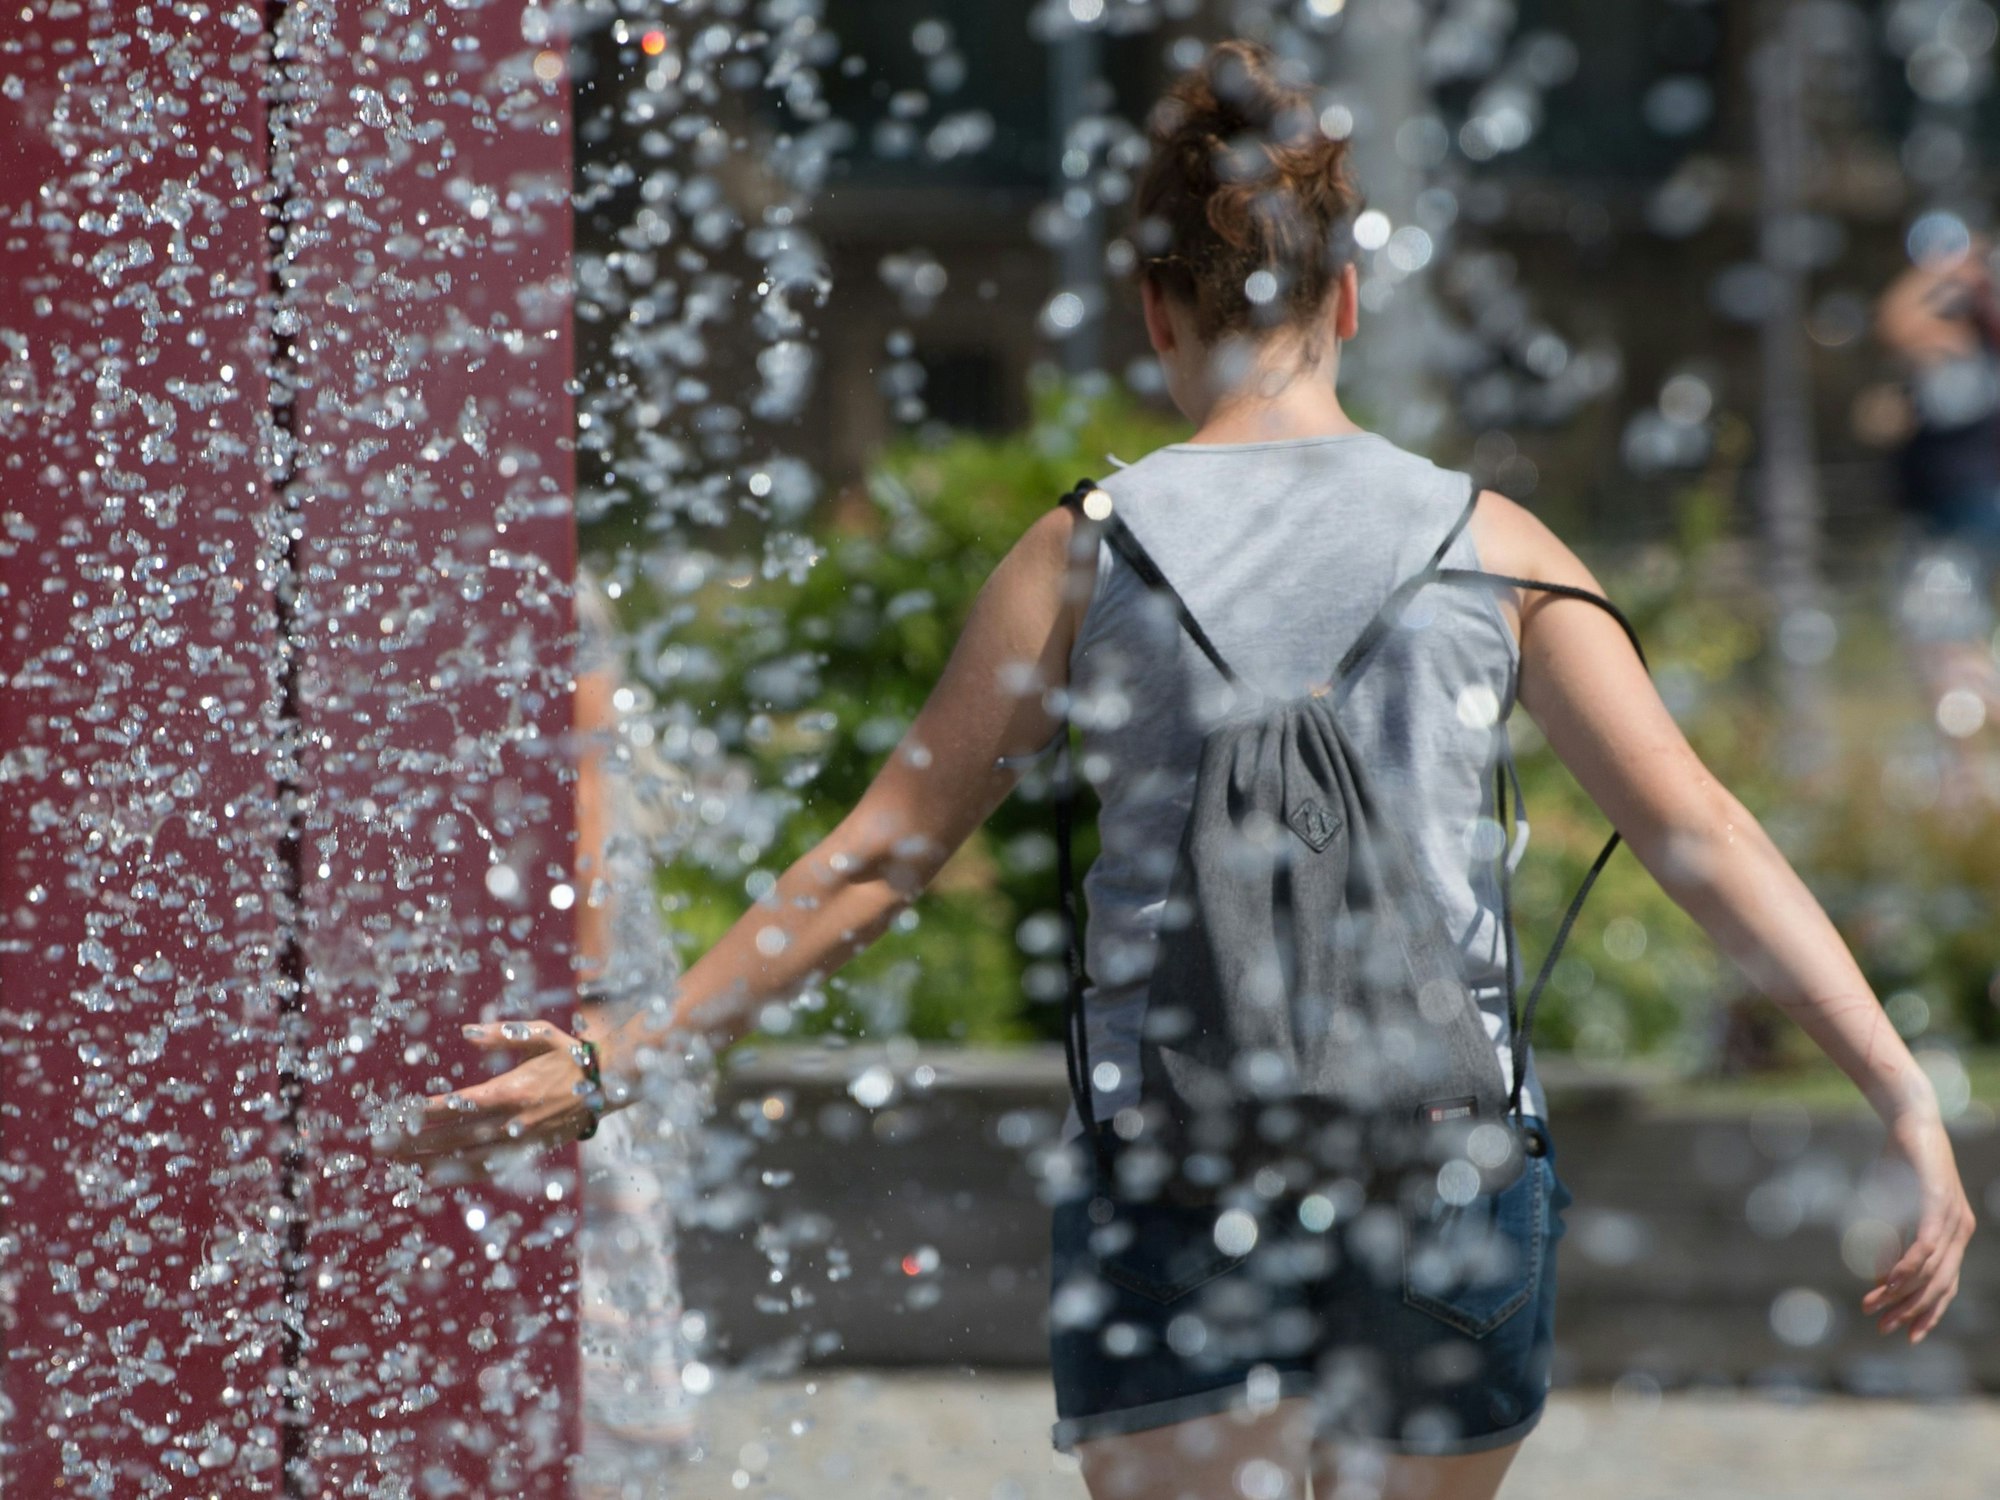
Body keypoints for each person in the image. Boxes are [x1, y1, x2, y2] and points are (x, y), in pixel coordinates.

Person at [397, 39, 1975, 1500]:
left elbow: (884, 856)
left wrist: (629, 1055)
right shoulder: (1497, 548)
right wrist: (1904, 1102)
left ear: (1155, 311)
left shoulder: (1082, 554)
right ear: (1346, 301)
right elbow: (1696, 829)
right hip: (1445, 1171)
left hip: (1173, 1169)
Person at [1876, 231, 2000, 801]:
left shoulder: (1958, 346)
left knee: (1941, 642)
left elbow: (1894, 320)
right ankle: (1962, 778)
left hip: (1959, 517)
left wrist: (1946, 265)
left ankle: (1962, 782)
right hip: (1967, 515)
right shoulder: (1967, 350)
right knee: (1953, 641)